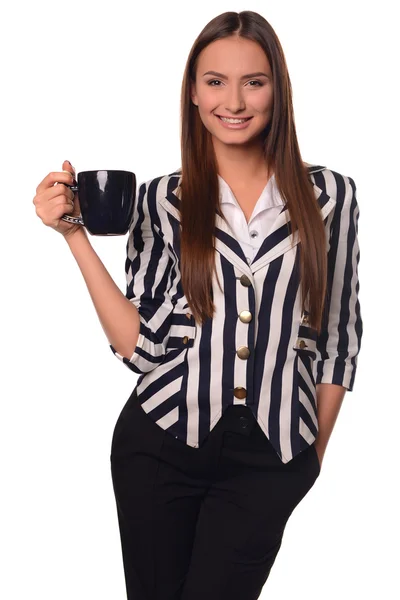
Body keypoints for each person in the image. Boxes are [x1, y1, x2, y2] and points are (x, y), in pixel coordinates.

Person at [33, 10, 363, 600]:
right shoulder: (161, 199)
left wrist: (311, 455)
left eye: (253, 81)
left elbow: (338, 335)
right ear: (193, 91)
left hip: (273, 453)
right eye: (215, 81)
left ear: (279, 90)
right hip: (159, 446)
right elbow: (142, 348)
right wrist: (75, 237)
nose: (233, 100)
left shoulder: (330, 196)